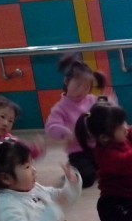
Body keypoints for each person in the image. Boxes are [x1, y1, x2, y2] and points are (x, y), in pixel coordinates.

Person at [44, 54, 112, 188]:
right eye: (78, 85)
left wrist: (110, 102)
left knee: (117, 167)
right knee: (86, 180)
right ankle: (74, 169)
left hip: (99, 147)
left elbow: (107, 112)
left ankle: (95, 168)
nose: (81, 91)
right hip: (78, 151)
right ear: (67, 81)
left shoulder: (92, 100)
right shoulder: (61, 107)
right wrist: (65, 132)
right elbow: (51, 127)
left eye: (86, 87)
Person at [0, 93, 44, 159]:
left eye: (11, 121)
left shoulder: (10, 141)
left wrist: (34, 150)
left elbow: (25, 152)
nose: (6, 123)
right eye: (2, 117)